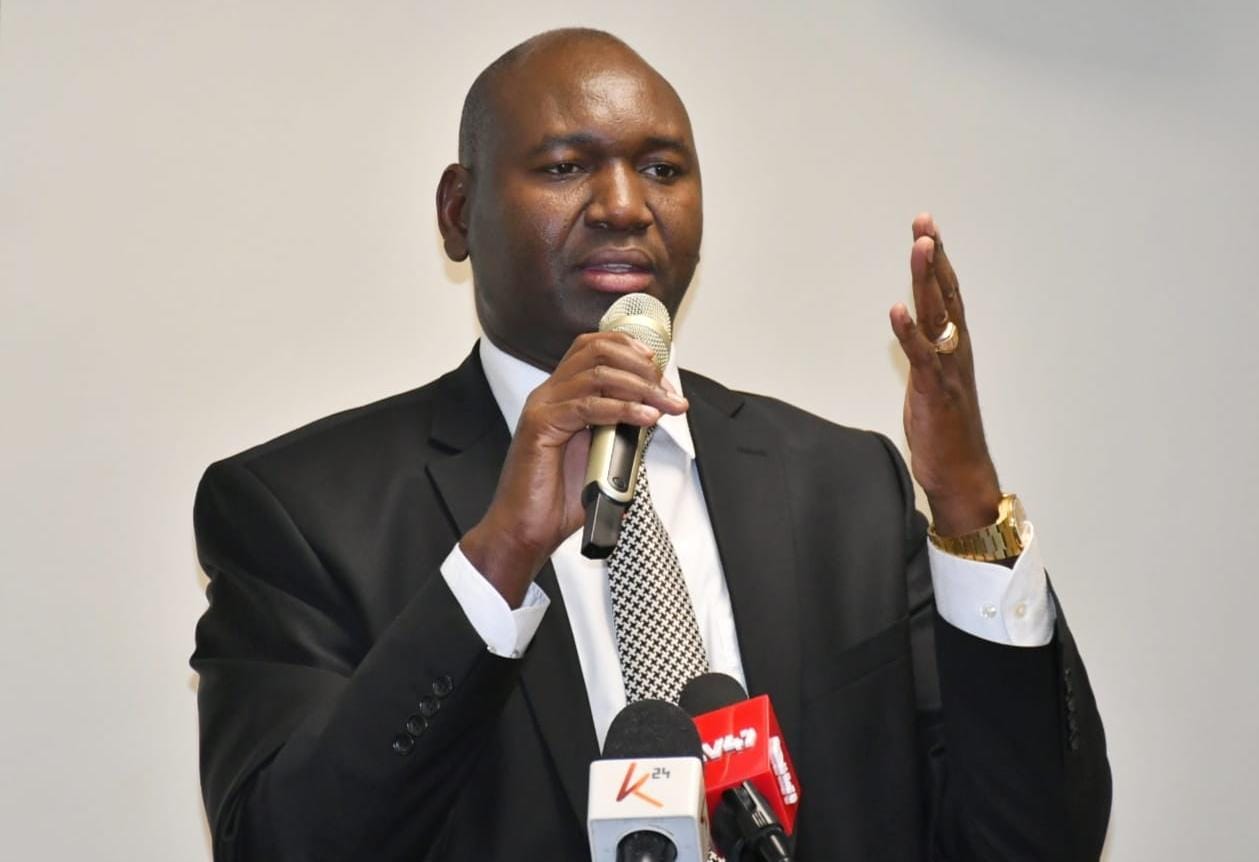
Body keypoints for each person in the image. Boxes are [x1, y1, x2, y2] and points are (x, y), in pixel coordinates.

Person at [192, 28, 1110, 861]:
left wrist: (966, 506)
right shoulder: (301, 512)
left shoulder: (841, 487)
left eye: (663, 169)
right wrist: (499, 559)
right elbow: (283, 845)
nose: (625, 206)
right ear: (457, 212)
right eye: (565, 167)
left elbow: (1031, 842)